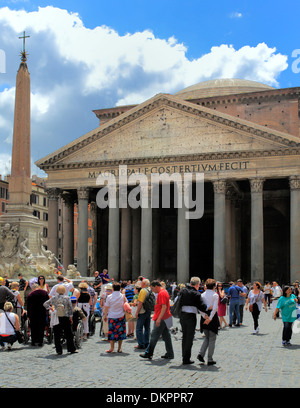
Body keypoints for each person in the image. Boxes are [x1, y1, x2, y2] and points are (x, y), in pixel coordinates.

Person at [178, 276, 209, 365]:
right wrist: (208, 308)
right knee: (190, 337)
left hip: (183, 315)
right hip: (191, 316)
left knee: (184, 336)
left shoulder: (182, 291)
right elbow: (201, 306)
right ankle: (186, 358)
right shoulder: (196, 293)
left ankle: (184, 356)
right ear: (198, 284)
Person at [140, 280, 174, 361]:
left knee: (154, 336)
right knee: (166, 336)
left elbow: (164, 307)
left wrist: (158, 319)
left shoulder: (161, 293)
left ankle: (149, 353)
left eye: (152, 288)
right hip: (166, 317)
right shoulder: (164, 292)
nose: (152, 290)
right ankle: (170, 353)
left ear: (156, 286)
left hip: (161, 317)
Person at [43, 285, 78, 355]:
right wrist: (71, 317)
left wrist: (51, 308)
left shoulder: (54, 298)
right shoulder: (67, 298)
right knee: (68, 333)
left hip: (57, 316)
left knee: (57, 334)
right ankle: (71, 349)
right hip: (65, 316)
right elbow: (70, 308)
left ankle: (59, 350)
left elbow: (45, 304)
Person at [197, 279, 220, 366]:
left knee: (207, 337)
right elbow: (214, 308)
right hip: (212, 318)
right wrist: (210, 318)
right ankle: (209, 359)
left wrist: (204, 317)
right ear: (214, 287)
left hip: (204, 317)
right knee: (212, 339)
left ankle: (201, 354)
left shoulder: (202, 295)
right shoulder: (215, 295)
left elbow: (200, 308)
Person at [103, 281, 126, 353]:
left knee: (112, 332)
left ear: (113, 289)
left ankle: (111, 348)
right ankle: (119, 348)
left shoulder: (109, 297)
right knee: (120, 332)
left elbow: (106, 307)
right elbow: (126, 304)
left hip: (112, 316)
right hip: (121, 316)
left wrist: (105, 315)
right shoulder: (123, 296)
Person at [135, 279, 152, 350]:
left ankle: (141, 344)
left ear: (144, 284)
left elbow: (140, 302)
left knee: (139, 328)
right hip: (149, 310)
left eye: (141, 283)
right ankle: (146, 342)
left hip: (142, 311)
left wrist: (137, 312)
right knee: (147, 328)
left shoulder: (142, 291)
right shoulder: (150, 290)